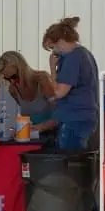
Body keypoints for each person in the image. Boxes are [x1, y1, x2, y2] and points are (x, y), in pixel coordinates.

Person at [40, 17, 98, 151]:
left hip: (74, 119)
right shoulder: (84, 53)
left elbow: (60, 92)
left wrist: (52, 69)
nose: (54, 52)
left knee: (69, 160)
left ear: (59, 41)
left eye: (52, 47)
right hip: (86, 116)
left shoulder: (72, 58)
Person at [0, 51, 55, 128]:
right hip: (32, 136)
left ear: (22, 68)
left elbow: (61, 111)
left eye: (14, 77)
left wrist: (40, 127)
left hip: (53, 134)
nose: (12, 82)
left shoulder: (42, 80)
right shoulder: (13, 90)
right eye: (7, 79)